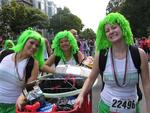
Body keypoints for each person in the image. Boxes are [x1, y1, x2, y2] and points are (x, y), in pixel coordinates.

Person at [74, 12, 150, 113]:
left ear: (123, 27)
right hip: (106, 108)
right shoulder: (101, 55)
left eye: (114, 27)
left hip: (132, 109)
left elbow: (146, 84)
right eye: (107, 30)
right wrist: (81, 95)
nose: (111, 32)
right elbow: (91, 78)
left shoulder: (139, 54)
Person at [0, 28, 46, 113]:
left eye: (37, 45)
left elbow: (30, 87)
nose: (34, 47)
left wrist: (21, 98)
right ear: (24, 41)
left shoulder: (33, 63)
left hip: (13, 107)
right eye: (31, 42)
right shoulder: (5, 54)